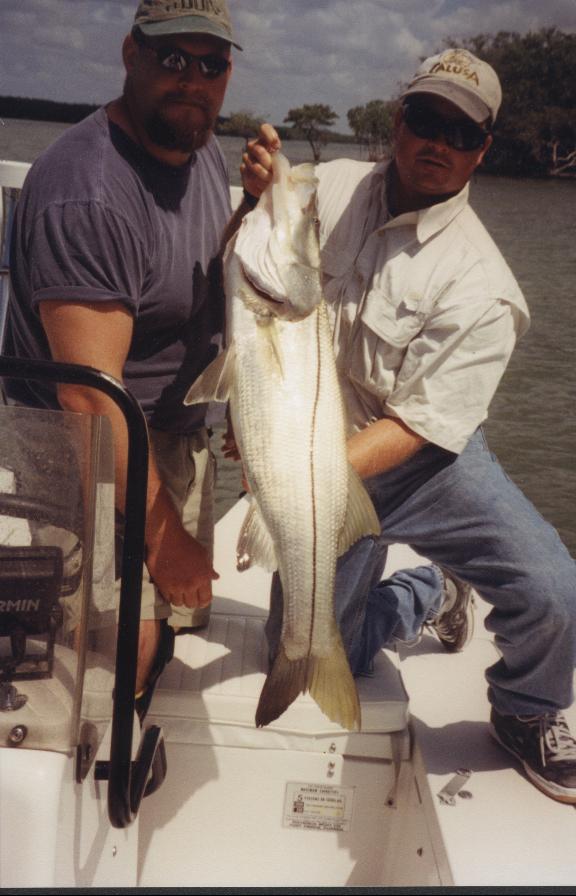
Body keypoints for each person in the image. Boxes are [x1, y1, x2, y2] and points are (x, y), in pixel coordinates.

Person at [238, 48, 576, 805]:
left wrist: (289, 468)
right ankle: (430, 593)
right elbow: (259, 267)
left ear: (482, 150)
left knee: (555, 591)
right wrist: (261, 191)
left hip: (426, 458)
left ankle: (526, 710)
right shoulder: (332, 187)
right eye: (426, 119)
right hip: (318, 431)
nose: (437, 142)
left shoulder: (485, 288)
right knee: (315, 648)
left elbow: (420, 429)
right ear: (399, 121)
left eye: (460, 133)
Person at [4, 0, 266, 717]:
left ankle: (134, 712)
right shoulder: (88, 194)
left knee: (178, 614)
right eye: (172, 59)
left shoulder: (197, 147)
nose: (193, 80)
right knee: (119, 644)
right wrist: (163, 536)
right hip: (85, 454)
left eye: (210, 64)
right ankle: (95, 785)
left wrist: (255, 207)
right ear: (130, 55)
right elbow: (89, 399)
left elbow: (206, 269)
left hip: (176, 434)